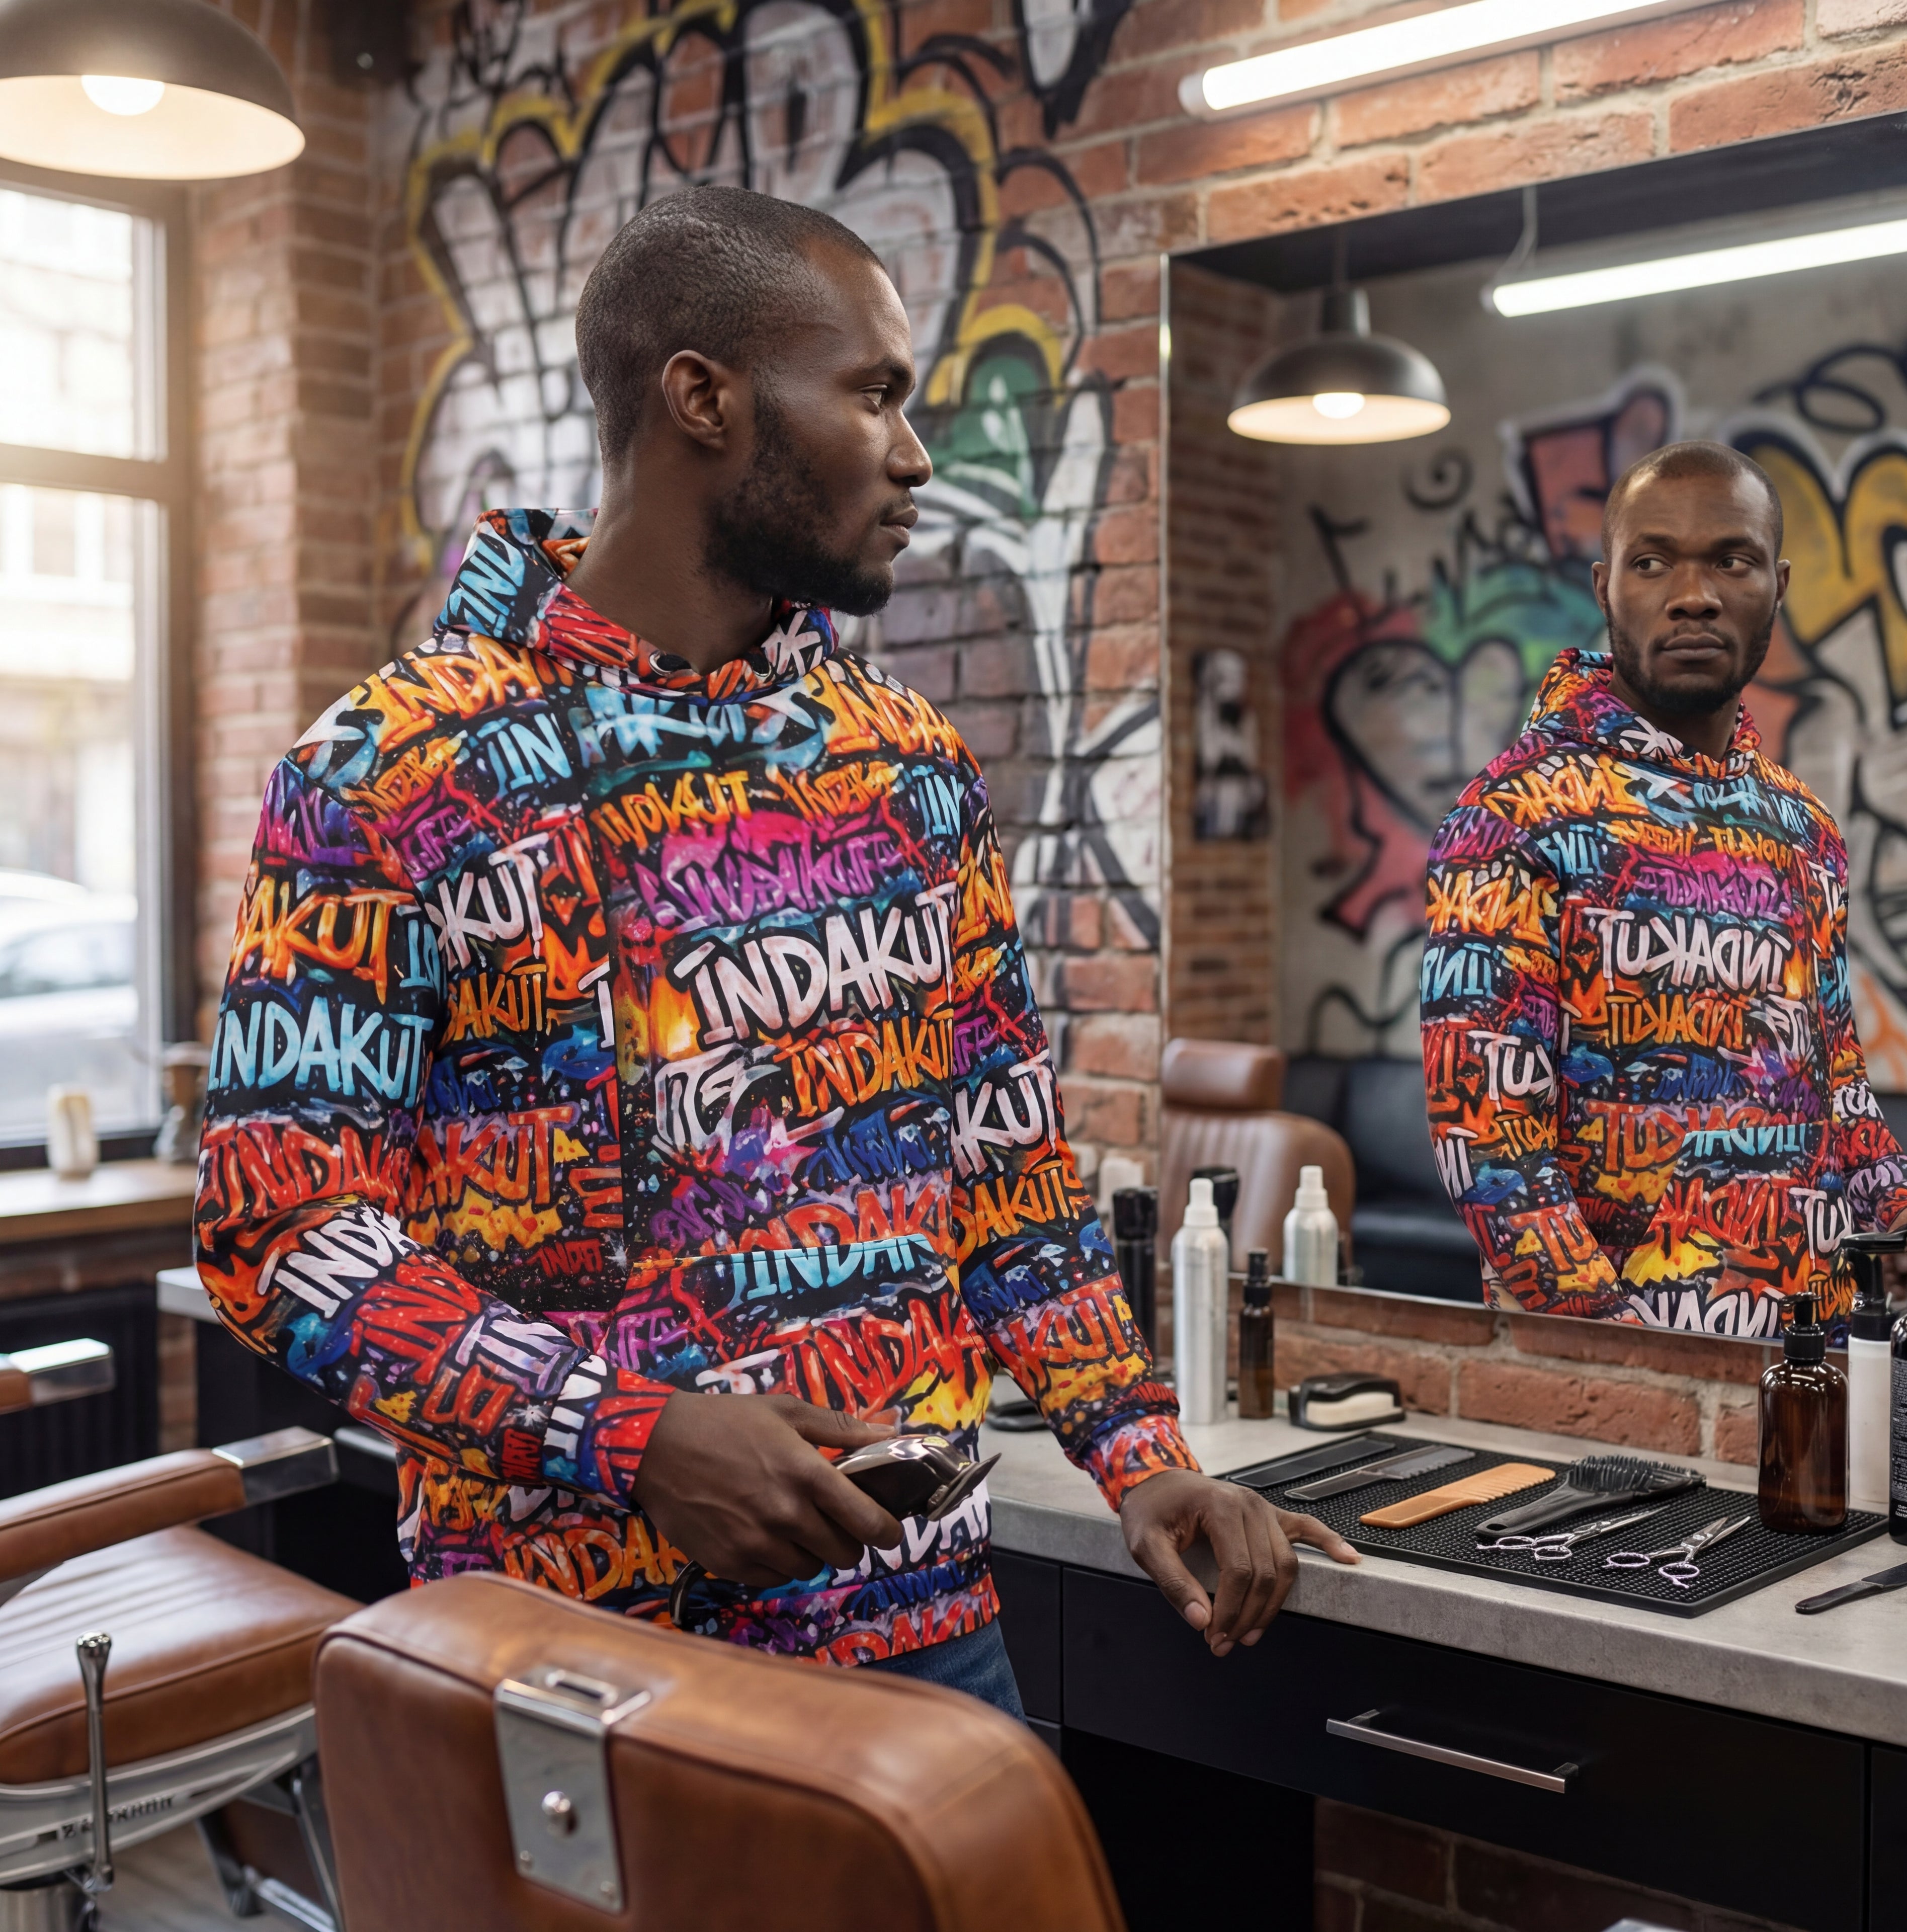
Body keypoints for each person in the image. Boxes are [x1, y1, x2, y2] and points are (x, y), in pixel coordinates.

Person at [195, 186, 1356, 1717]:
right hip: (561, 1661)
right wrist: (626, 1430)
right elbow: (276, 1229)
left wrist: (1139, 1453)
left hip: (920, 1637)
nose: (914, 452)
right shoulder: (395, 768)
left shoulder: (908, 768)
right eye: (872, 392)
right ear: (704, 398)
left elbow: (1004, 1178)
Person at [1423, 442, 1907, 1332]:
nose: (1691, 594)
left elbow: (1836, 1085)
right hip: (1607, 1391)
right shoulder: (1517, 815)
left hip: (1815, 1361)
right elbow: (1492, 1143)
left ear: (1776, 586)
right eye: (1652, 561)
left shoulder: (1801, 829)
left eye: (1729, 560)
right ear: (1605, 586)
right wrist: (1632, 1366)